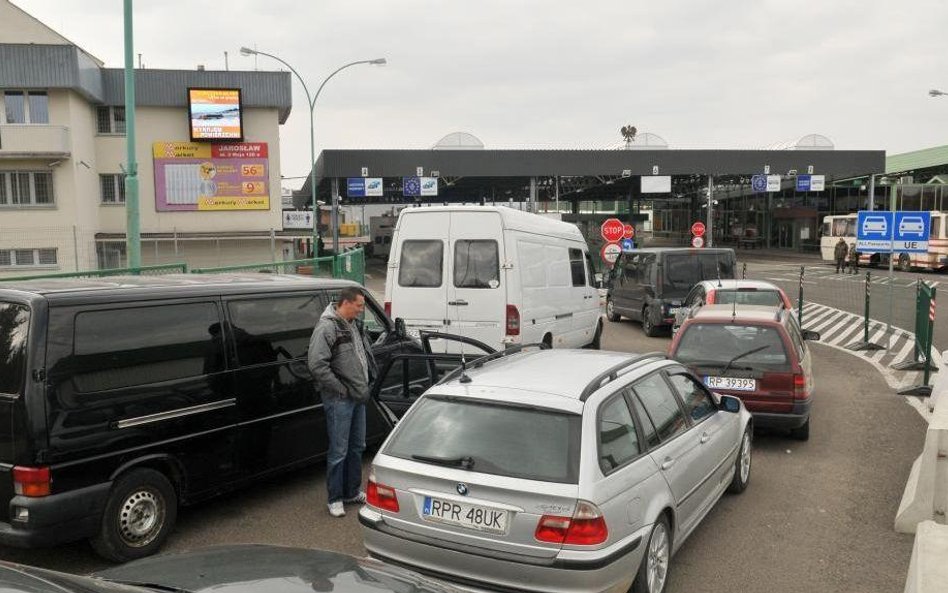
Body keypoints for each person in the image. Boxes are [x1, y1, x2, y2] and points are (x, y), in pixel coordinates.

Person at [308, 287, 377, 518]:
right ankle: (335, 498)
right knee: (339, 451)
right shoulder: (327, 327)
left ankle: (351, 492)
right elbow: (317, 365)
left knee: (357, 447)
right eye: (359, 305)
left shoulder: (353, 324)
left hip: (357, 396)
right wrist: (341, 389)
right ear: (346, 303)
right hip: (340, 399)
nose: (362, 309)